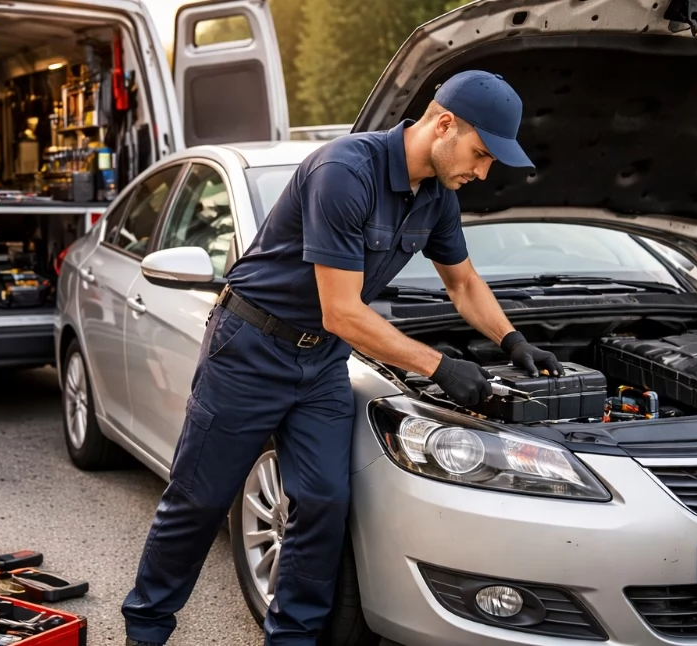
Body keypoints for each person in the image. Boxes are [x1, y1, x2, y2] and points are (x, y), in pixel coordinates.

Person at [122, 69, 563, 646]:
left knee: (323, 502)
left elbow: (462, 283)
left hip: (322, 363)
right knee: (198, 500)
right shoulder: (345, 172)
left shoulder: (436, 196)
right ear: (443, 124)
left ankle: (293, 638)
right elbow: (343, 312)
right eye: (481, 154)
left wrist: (513, 340)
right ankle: (146, 629)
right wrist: (440, 367)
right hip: (250, 350)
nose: (482, 172)